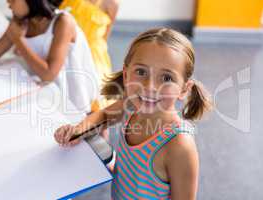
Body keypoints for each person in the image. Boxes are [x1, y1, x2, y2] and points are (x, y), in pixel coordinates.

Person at [54, 28, 213, 199]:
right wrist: (78, 131)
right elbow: (105, 115)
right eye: (141, 72)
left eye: (166, 78)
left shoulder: (180, 146)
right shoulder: (131, 106)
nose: (150, 86)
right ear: (126, 74)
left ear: (184, 89)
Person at [0, 0, 99, 113]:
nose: (8, 3)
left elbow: (48, 74)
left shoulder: (63, 22)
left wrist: (18, 41)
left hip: (72, 94)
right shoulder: (21, 22)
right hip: (48, 94)